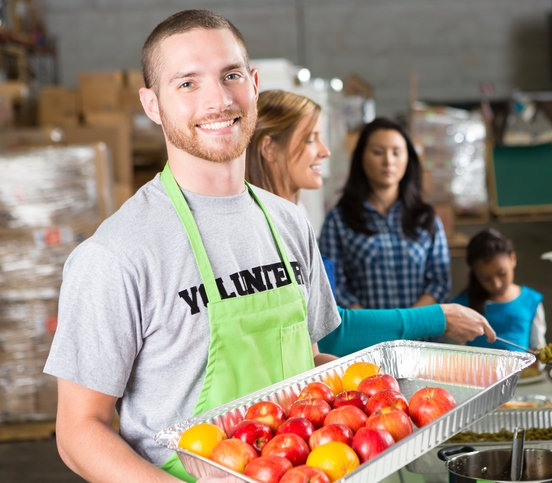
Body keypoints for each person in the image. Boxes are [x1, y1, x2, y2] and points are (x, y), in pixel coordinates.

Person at [43, 10, 341, 482]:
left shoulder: (289, 222)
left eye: (231, 75)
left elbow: (305, 361)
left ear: (254, 83)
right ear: (152, 104)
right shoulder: (117, 254)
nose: (219, 100)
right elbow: (80, 429)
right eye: (187, 84)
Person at [245, 89, 496, 356]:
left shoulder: (293, 221)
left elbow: (315, 344)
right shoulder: (260, 231)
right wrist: (437, 318)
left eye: (397, 152)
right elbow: (330, 331)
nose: (325, 151)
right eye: (310, 139)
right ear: (270, 148)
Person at [319, 118, 451, 320]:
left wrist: (408, 324)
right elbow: (333, 287)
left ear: (408, 158)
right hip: (365, 341)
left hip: (421, 338)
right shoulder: (338, 220)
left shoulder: (426, 217)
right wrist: (380, 328)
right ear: (361, 157)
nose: (388, 161)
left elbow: (439, 282)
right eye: (378, 152)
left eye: (397, 152)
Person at [450, 228, 546, 352]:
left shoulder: (531, 300)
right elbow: (454, 353)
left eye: (502, 273)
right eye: (485, 278)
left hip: (523, 371)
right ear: (475, 273)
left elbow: (538, 348)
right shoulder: (461, 305)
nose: (496, 284)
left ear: (512, 259)